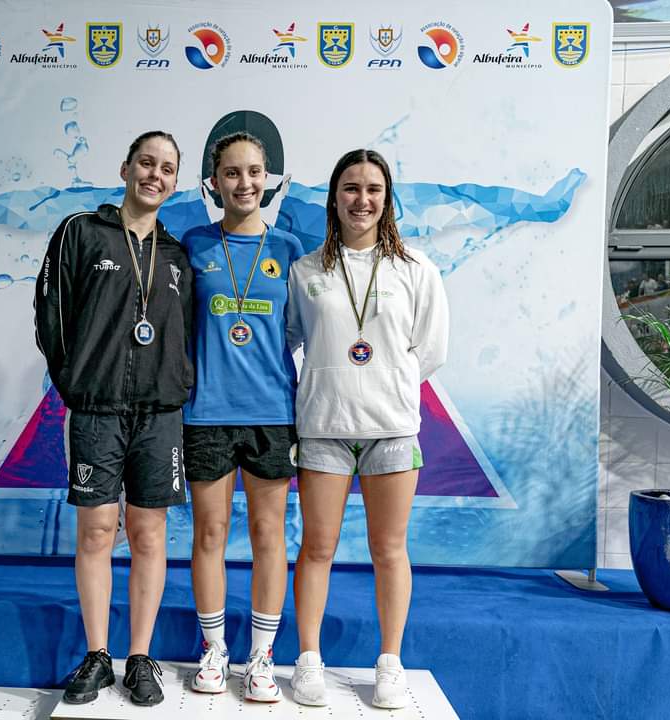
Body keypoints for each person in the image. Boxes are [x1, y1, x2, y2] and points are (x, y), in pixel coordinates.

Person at [33, 130, 193, 707]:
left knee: (149, 533)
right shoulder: (81, 232)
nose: (155, 175)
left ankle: (140, 657)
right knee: (98, 531)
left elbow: (184, 336)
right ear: (126, 168)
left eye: (167, 169)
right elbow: (50, 315)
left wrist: (175, 385)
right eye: (146, 163)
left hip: (159, 414)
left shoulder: (177, 256)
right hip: (97, 410)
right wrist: (76, 384)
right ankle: (98, 655)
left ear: (175, 183)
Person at [286, 149, 449, 709]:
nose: (362, 200)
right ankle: (309, 658)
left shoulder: (417, 270)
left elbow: (430, 350)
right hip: (323, 427)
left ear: (387, 199)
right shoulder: (306, 272)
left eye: (373, 189)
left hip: (392, 429)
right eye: (351, 188)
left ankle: (390, 663)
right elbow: (290, 340)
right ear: (334, 198)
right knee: (317, 547)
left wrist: (385, 384)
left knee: (389, 548)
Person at [181, 130, 304, 702]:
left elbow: (299, 331)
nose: (244, 183)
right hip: (206, 413)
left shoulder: (288, 249)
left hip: (272, 413)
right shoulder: (194, 244)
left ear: (268, 179)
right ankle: (213, 650)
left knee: (267, 534)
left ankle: (261, 657)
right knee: (209, 533)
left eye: (254, 172)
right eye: (232, 173)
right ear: (214, 182)